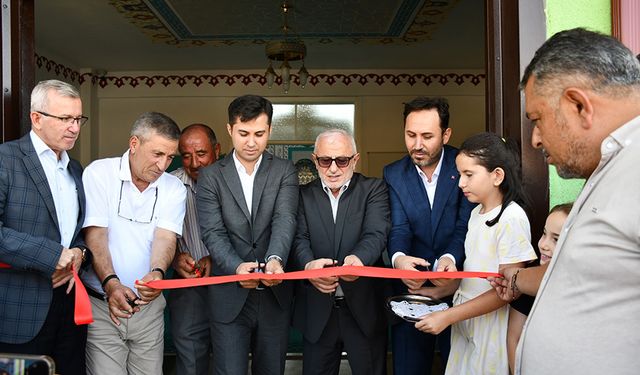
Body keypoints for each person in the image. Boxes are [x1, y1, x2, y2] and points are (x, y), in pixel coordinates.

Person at [487, 28, 640, 374]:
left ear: (578, 105)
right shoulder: (611, 164)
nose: (536, 140)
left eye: (537, 120)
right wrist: (514, 280)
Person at [415, 132, 537, 375]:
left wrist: (448, 316)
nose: (460, 182)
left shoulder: (511, 218)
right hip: (466, 322)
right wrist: (434, 294)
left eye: (468, 175)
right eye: (460, 174)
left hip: (492, 326)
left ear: (497, 176)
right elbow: (473, 277)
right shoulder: (475, 214)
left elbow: (507, 291)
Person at [196, 94, 299, 375]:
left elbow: (285, 218)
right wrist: (237, 267)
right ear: (230, 130)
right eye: (243, 133)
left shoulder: (284, 170)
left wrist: (275, 258)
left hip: (274, 294)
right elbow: (212, 231)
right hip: (228, 292)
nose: (251, 142)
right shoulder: (210, 176)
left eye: (259, 134)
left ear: (270, 131)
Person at [82, 112, 187, 374]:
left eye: (170, 157)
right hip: (102, 304)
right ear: (134, 144)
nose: (163, 165)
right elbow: (96, 235)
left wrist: (158, 273)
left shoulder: (174, 187)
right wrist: (111, 284)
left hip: (148, 308)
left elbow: (165, 237)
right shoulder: (99, 173)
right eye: (157, 154)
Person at [0, 79, 91, 375]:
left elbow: (78, 232)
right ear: (36, 118)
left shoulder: (75, 168)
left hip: (69, 305)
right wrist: (52, 254)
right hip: (19, 307)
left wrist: (80, 251)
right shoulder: (6, 159)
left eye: (78, 119)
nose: (74, 127)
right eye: (65, 118)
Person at [383, 96, 475, 375]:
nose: (417, 145)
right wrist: (399, 261)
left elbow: (465, 225)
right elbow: (398, 228)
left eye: (427, 136)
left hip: (458, 293)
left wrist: (450, 259)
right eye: (410, 135)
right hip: (411, 295)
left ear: (446, 134)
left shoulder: (464, 168)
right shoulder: (393, 173)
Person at [291, 129, 391, 375]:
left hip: (363, 309)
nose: (333, 169)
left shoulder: (373, 189)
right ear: (315, 160)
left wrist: (359, 260)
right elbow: (298, 238)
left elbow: (376, 233)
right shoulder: (302, 195)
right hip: (317, 311)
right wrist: (308, 266)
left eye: (342, 160)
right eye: (325, 161)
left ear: (355, 160)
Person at [167, 124, 221, 375]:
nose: (194, 162)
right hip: (187, 285)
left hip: (229, 282)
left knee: (229, 357)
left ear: (217, 151)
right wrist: (175, 257)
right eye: (186, 155)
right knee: (190, 359)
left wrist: (216, 258)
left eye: (201, 154)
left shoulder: (231, 182)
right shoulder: (169, 185)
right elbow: (155, 234)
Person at [506, 202, 572, 373]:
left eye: (555, 239)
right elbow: (514, 337)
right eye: (544, 234)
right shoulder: (527, 277)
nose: (543, 244)